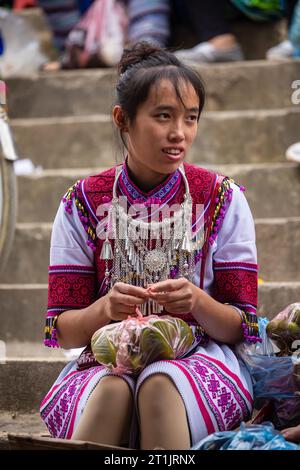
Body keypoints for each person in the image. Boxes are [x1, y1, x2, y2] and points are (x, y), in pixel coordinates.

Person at [40, 41, 260, 450]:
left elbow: (241, 325)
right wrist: (104, 309)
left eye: (190, 118)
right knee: (113, 390)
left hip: (201, 357)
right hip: (105, 361)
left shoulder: (222, 198)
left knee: (160, 385)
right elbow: (64, 331)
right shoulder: (82, 202)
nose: (179, 133)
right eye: (163, 116)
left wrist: (196, 301)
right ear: (122, 119)